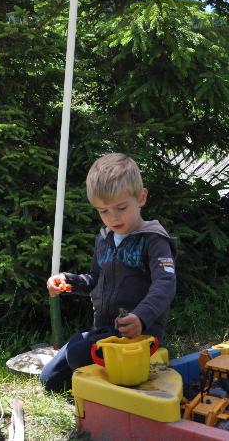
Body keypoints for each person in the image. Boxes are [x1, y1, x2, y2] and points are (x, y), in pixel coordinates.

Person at [39, 153, 177, 392]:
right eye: (103, 211)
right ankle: (90, 375)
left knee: (77, 353)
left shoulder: (154, 240)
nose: (113, 217)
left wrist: (141, 317)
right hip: (103, 332)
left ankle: (98, 383)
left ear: (141, 197)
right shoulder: (105, 239)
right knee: (49, 379)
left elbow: (165, 284)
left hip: (137, 337)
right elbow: (95, 278)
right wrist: (69, 281)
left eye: (121, 208)